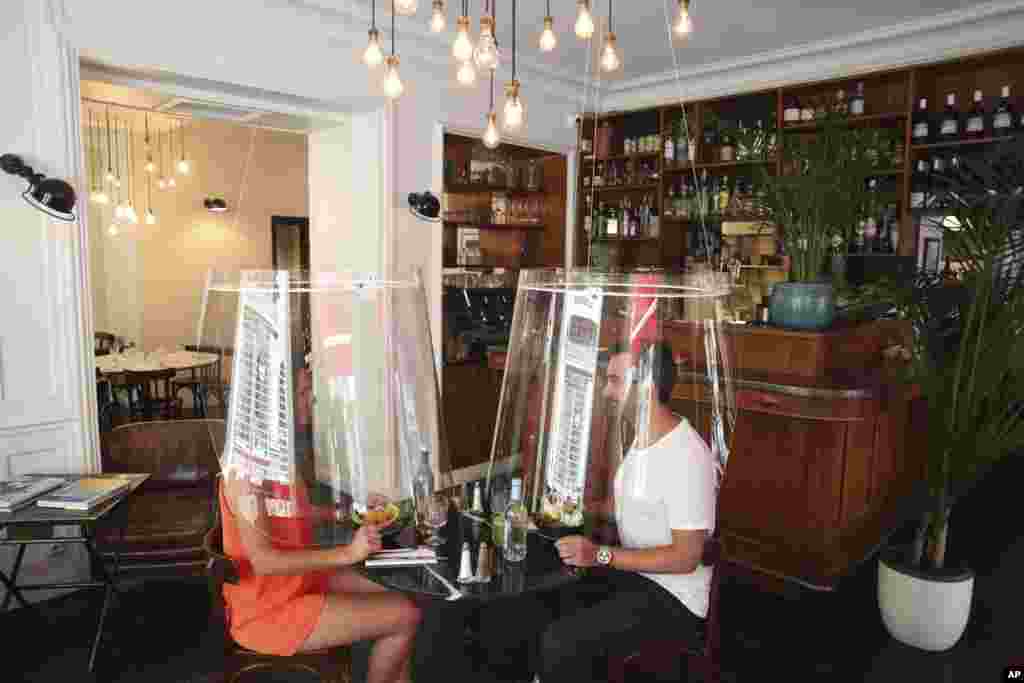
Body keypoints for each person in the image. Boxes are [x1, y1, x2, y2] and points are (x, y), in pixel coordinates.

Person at [482, 340, 717, 683]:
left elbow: (686, 557)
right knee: (533, 606)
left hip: (674, 597)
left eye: (615, 381)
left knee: (562, 641)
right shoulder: (643, 437)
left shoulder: (687, 456)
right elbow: (635, 503)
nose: (606, 391)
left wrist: (600, 556)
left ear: (646, 386)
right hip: (635, 576)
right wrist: (569, 512)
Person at [218, 364, 421, 683]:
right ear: (274, 401)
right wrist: (346, 554)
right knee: (405, 617)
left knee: (405, 594)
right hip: (268, 608)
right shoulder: (245, 471)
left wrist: (346, 512)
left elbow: (291, 511)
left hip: (299, 581)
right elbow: (264, 561)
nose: (311, 398)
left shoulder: (277, 451)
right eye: (302, 392)